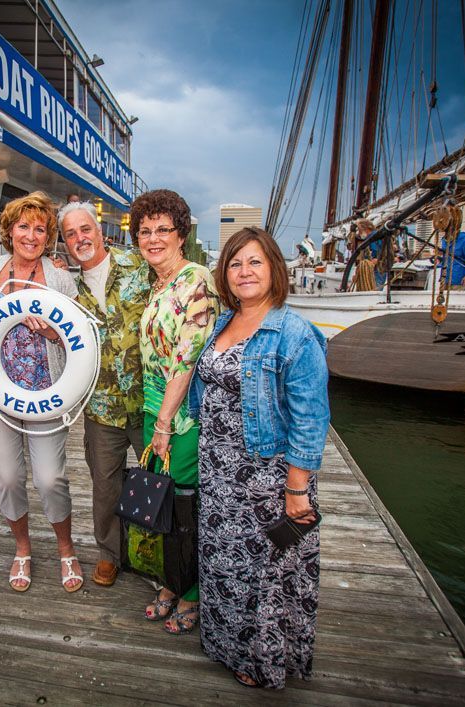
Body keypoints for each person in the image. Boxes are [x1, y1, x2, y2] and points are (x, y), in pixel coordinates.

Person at [188, 226, 330, 689]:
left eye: (254, 262)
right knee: (222, 562)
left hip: (265, 478)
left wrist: (297, 489)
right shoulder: (224, 322)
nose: (244, 271)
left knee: (262, 571)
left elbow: (311, 418)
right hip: (219, 473)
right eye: (235, 263)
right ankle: (224, 645)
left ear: (274, 269)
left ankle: (259, 660)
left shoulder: (294, 333)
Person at [0, 191, 85, 593]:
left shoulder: (59, 277)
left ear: (48, 236)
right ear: (9, 230)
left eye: (40, 229)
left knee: (51, 478)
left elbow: (78, 337)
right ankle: (22, 548)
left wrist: (53, 332)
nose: (31, 236)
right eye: (23, 226)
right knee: (6, 477)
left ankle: (66, 549)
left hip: (46, 389)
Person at [132, 189, 219, 635]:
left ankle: (193, 592)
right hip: (155, 408)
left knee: (185, 505)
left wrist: (165, 424)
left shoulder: (196, 280)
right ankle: (172, 579)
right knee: (165, 503)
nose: (153, 238)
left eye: (162, 229)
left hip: (182, 416)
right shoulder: (158, 284)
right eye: (145, 231)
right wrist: (156, 418)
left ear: (181, 235)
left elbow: (187, 359)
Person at [58, 200, 150, 587]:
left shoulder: (139, 265)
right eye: (71, 234)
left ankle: (151, 556)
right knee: (105, 486)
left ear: (100, 231)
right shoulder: (66, 288)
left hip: (149, 401)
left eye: (85, 229)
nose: (80, 238)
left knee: (154, 481)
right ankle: (110, 553)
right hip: (101, 405)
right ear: (64, 243)